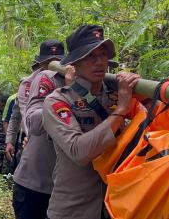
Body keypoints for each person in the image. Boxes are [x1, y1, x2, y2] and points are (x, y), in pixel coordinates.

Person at [42, 25, 139, 219]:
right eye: (91, 56)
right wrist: (121, 111)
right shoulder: (58, 101)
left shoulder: (117, 93)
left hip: (116, 208)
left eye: (103, 55)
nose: (100, 62)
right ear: (75, 61)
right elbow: (79, 152)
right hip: (73, 211)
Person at [11, 40, 71, 219]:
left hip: (65, 186)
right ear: (40, 66)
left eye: (57, 63)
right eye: (48, 65)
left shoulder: (76, 82)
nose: (53, 70)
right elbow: (31, 123)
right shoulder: (30, 84)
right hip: (35, 182)